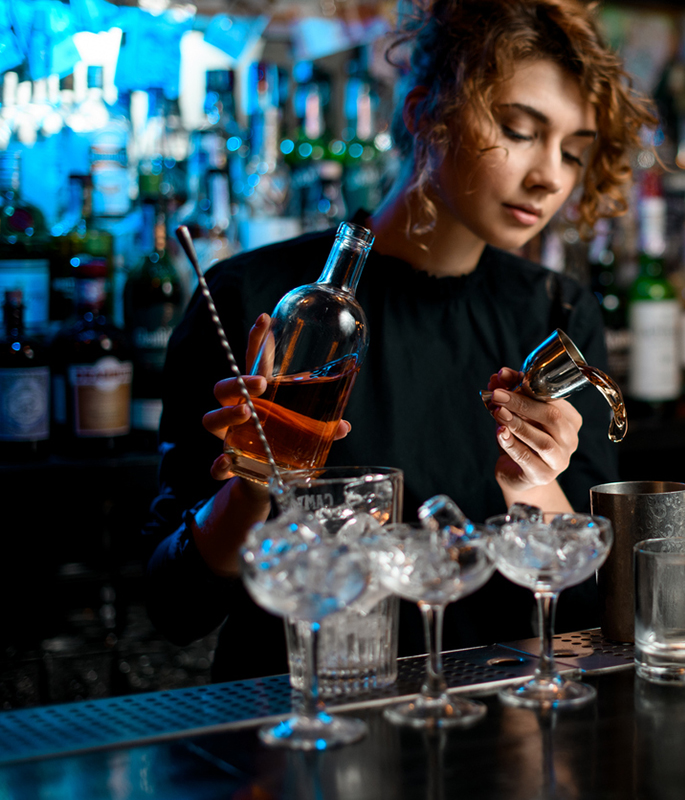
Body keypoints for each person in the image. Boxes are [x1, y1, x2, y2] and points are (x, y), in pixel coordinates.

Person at [141, 0, 657, 681]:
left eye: (572, 152)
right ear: (424, 112)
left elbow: (595, 601)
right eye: (519, 130)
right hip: (301, 730)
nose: (550, 176)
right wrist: (250, 490)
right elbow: (176, 609)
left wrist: (536, 482)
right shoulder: (248, 297)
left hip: (496, 725)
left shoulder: (557, 313)